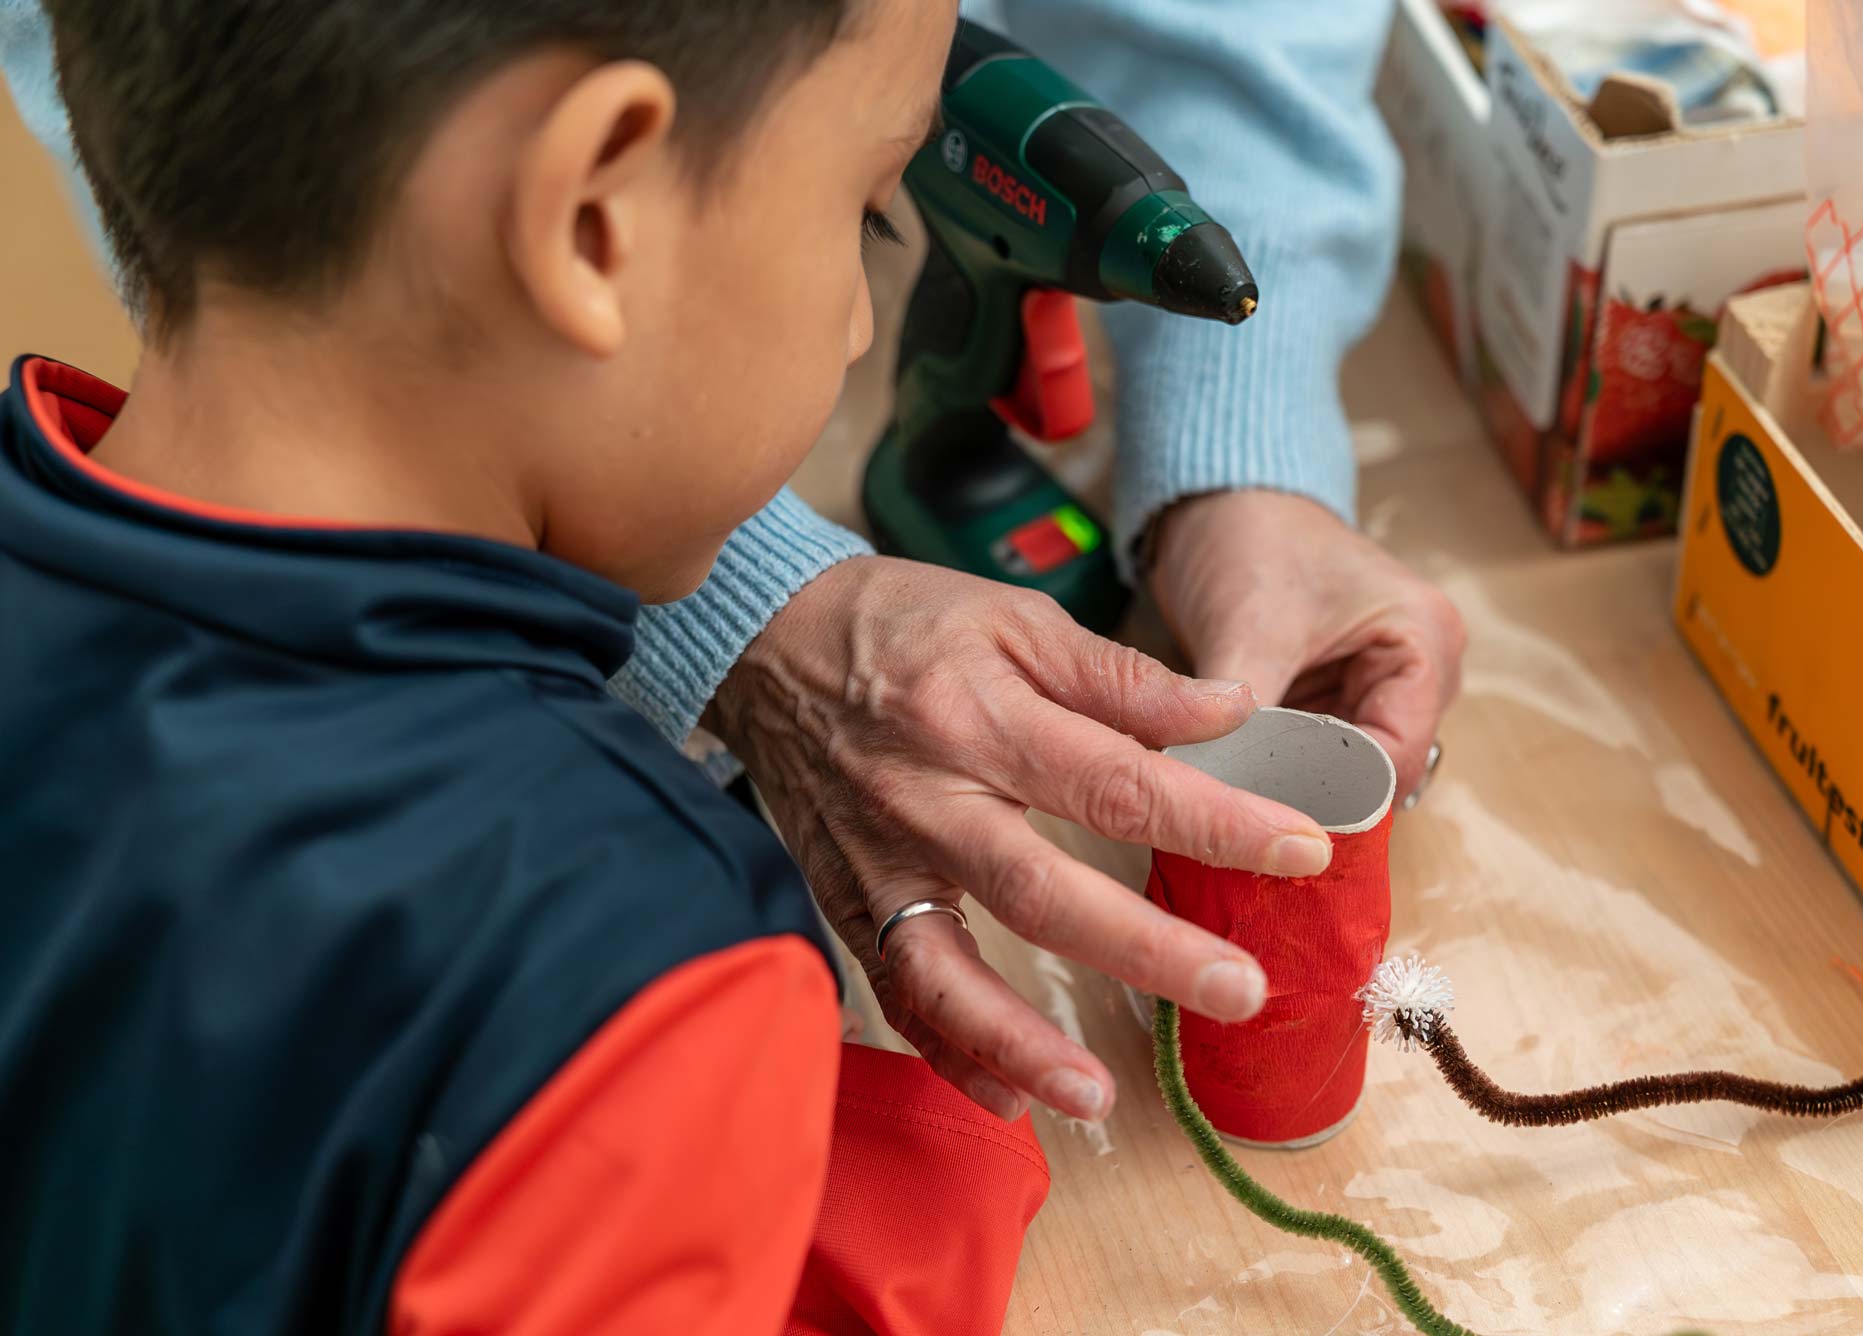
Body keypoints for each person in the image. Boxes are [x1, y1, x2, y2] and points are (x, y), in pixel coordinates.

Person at [0, 0, 1465, 1127]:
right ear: (588, 214)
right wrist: (921, 1174)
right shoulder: (648, 965)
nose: (858, 327)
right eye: (871, 210)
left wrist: (1237, 441)